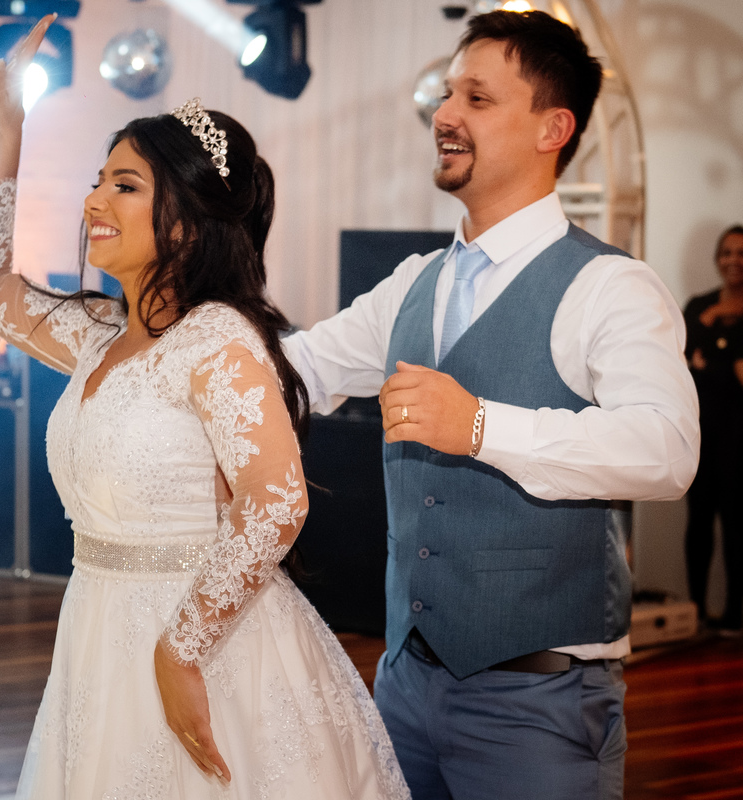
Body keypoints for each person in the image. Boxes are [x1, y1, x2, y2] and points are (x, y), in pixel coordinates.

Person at [0, 15, 408, 800]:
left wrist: (182, 649)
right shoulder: (97, 334)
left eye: (124, 184)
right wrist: (5, 128)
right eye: (99, 180)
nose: (95, 199)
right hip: (97, 630)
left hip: (208, 645)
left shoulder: (216, 338)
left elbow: (276, 501)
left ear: (188, 221)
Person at [283, 10, 699, 800]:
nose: (444, 115)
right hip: (402, 685)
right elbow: (296, 370)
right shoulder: (413, 282)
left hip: (540, 704)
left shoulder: (610, 286)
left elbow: (668, 449)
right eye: (447, 94)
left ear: (553, 128)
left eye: (476, 97)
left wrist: (479, 426)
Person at [683, 224, 743, 630]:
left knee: (737, 525)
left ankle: (734, 617)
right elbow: (680, 366)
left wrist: (708, 366)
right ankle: (697, 614)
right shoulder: (698, 305)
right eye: (726, 253)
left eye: (741, 253)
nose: (733, 261)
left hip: (739, 437)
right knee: (699, 522)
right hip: (701, 434)